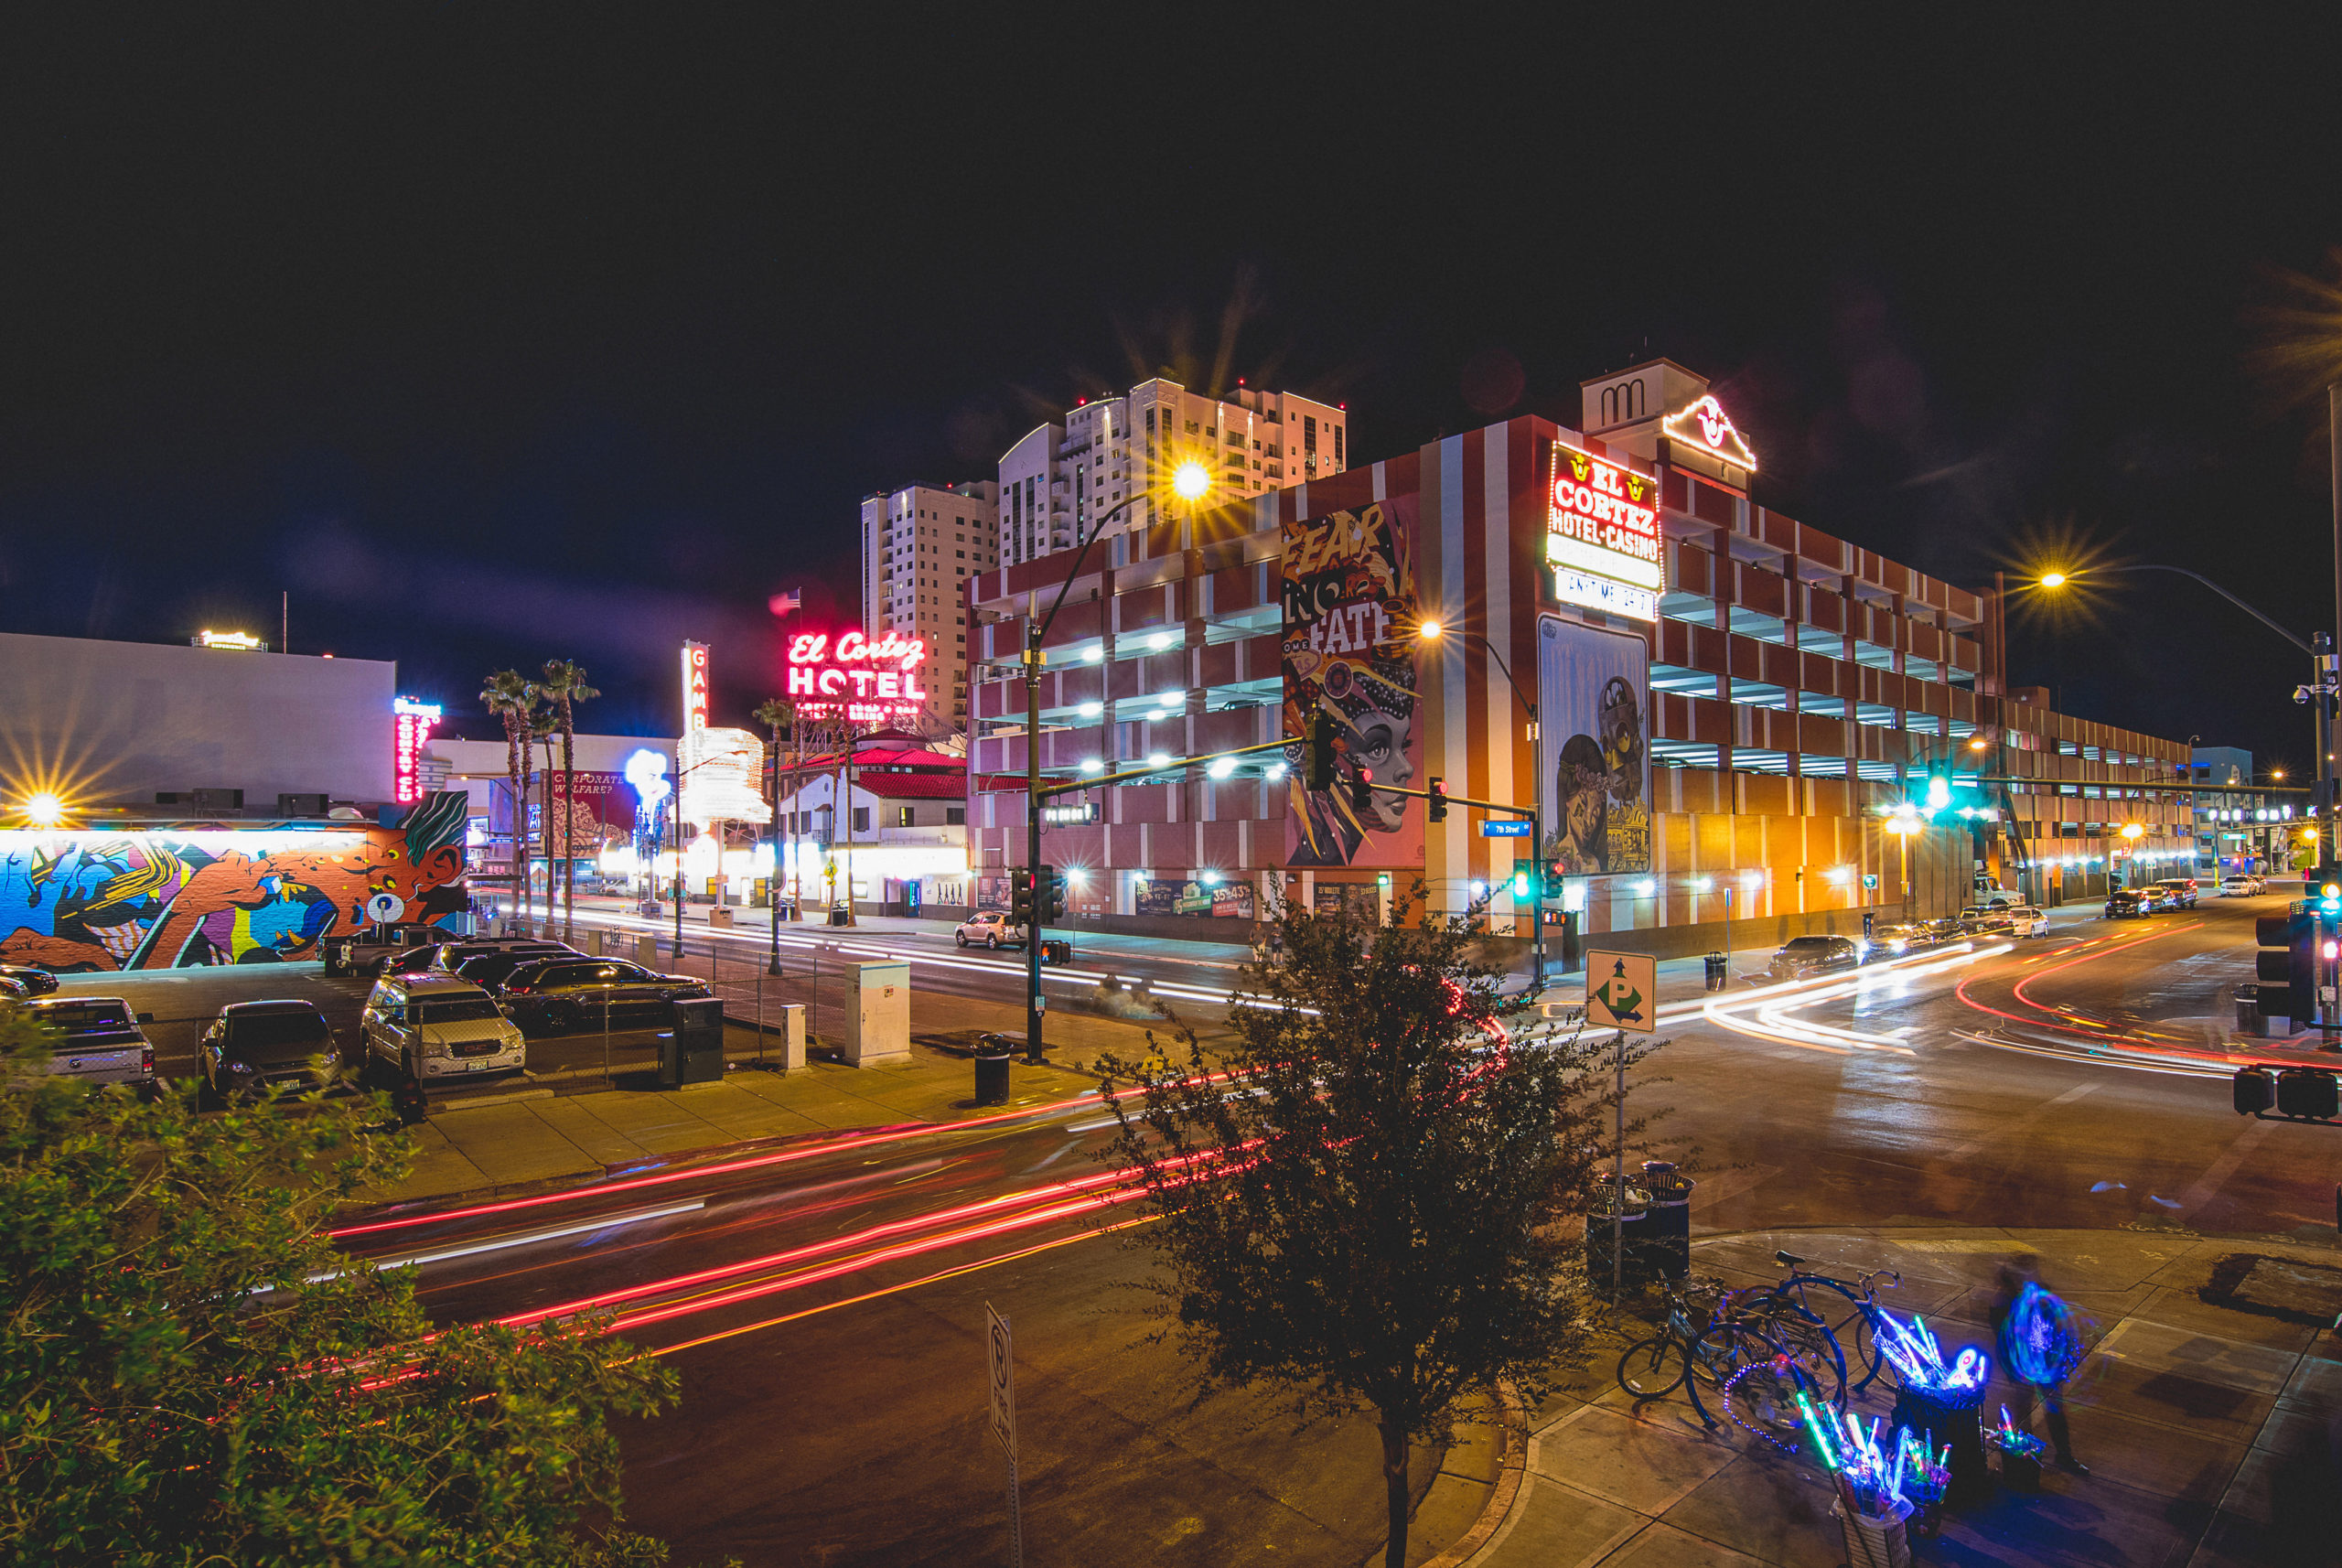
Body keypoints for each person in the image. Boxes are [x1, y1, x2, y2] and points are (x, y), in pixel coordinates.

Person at [1992, 1262, 2089, 1475]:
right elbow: (2002, 1336)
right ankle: (2029, 1456)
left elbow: (2054, 1325)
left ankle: (2061, 1455)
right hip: (2025, 1367)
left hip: (2042, 1363)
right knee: (2026, 1411)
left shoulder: (2038, 1296)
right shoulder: (2005, 1302)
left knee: (2051, 1409)